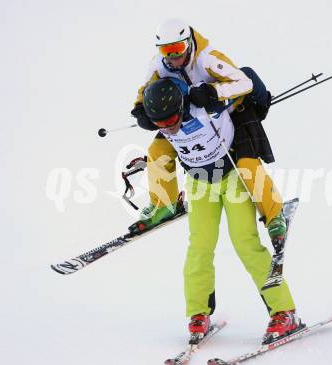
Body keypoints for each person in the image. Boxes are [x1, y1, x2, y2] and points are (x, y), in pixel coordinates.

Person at [138, 76, 304, 345]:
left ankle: (284, 311)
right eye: (160, 123)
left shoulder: (204, 108)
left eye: (170, 121)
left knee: (246, 243)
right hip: (199, 182)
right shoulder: (165, 118)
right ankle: (198, 314)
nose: (167, 127)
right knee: (199, 248)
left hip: (232, 178)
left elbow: (244, 85)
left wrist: (222, 97)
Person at [129, 18, 288, 253]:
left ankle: (275, 215)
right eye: (166, 50)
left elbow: (244, 82)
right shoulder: (157, 66)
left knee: (247, 165)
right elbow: (143, 92)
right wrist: (141, 111)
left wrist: (214, 91)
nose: (172, 57)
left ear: (188, 44)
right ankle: (164, 203)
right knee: (157, 152)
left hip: (230, 114)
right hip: (185, 119)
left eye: (177, 50)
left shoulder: (208, 58)